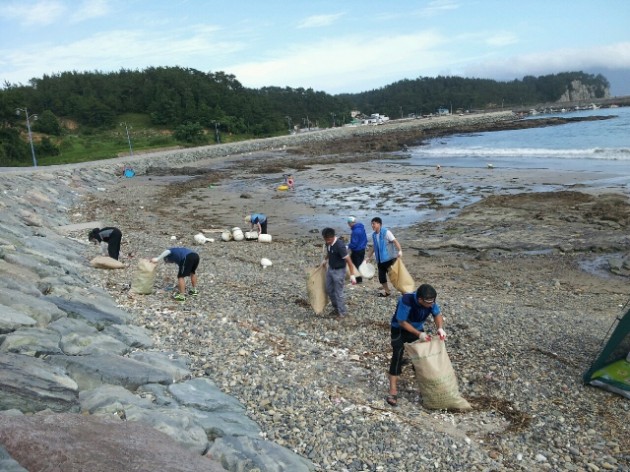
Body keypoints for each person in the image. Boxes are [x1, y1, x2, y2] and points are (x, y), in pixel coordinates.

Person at [386, 283, 446, 407]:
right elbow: (402, 322)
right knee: (397, 354)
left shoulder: (430, 301)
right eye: (428, 303)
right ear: (419, 299)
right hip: (400, 329)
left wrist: (440, 328)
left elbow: (437, 314)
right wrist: (419, 334)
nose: (431, 305)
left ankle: (425, 389)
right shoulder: (406, 300)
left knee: (422, 358)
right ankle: (392, 390)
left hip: (418, 329)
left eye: (432, 302)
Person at [321, 227, 357, 318]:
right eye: (325, 239)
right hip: (330, 269)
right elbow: (329, 252)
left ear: (333, 237)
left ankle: (342, 313)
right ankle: (336, 308)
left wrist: (352, 275)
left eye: (328, 239)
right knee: (329, 289)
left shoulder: (340, 246)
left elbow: (349, 261)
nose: (327, 241)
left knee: (338, 293)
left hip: (339, 271)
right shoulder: (328, 242)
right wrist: (325, 260)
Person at [365, 217, 402, 297]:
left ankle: (404, 292)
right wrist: (368, 257)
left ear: (379, 224)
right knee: (381, 278)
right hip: (380, 261)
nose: (372, 225)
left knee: (394, 278)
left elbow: (395, 241)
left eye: (374, 223)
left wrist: (400, 251)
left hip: (390, 259)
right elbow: (374, 247)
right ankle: (387, 291)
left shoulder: (386, 232)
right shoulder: (374, 235)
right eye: (372, 224)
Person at [346, 217, 367, 283]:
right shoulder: (361, 228)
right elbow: (365, 239)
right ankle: (358, 279)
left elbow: (354, 244)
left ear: (351, 223)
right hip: (362, 249)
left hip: (356, 251)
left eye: (349, 223)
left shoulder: (355, 231)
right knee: (359, 264)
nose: (348, 225)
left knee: (354, 265)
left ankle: (357, 280)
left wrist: (347, 246)